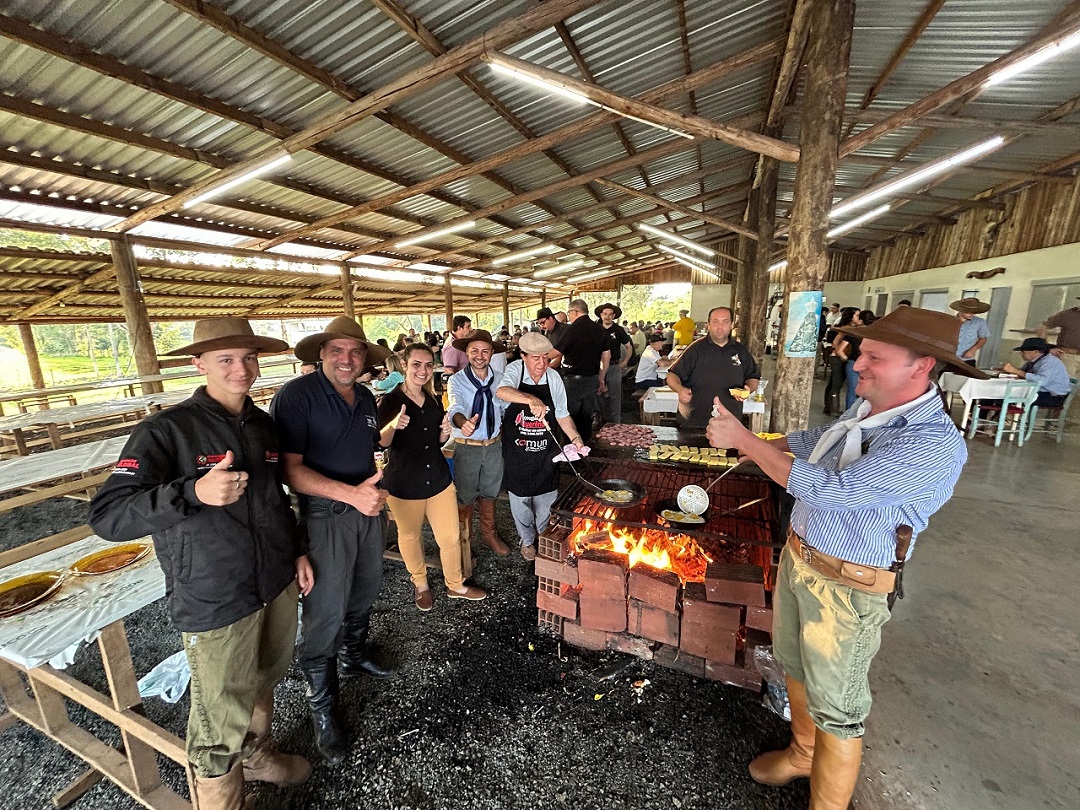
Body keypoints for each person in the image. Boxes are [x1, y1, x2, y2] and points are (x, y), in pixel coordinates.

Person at [704, 306, 986, 810]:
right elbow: (818, 442)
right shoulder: (867, 411)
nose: (857, 364)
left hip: (849, 587)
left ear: (921, 366)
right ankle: (803, 753)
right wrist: (765, 444)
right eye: (860, 353)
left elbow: (832, 489)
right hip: (802, 560)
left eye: (874, 356)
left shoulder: (932, 443)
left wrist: (745, 440)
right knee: (793, 661)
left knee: (839, 705)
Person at [88, 317, 314, 807]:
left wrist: (296, 549)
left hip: (273, 580)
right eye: (226, 360)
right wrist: (192, 491)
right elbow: (107, 515)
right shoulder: (166, 431)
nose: (241, 369)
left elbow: (276, 499)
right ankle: (220, 797)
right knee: (217, 716)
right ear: (198, 364)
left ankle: (259, 759)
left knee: (262, 677)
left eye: (249, 357)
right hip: (214, 592)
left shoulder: (262, 425)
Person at [269, 316, 393, 766]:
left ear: (365, 358)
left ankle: (355, 655)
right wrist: (351, 495)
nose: (346, 359)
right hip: (324, 518)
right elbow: (288, 469)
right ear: (320, 353)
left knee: (364, 590)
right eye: (337, 351)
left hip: (366, 512)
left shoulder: (363, 397)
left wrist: (374, 491)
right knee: (324, 612)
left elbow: (366, 449)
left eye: (355, 352)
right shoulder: (296, 397)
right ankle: (323, 708)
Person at [377, 343, 487, 611]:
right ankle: (421, 584)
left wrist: (445, 432)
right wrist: (394, 425)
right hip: (404, 481)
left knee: (449, 538)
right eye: (416, 364)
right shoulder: (390, 401)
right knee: (410, 535)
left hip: (438, 479)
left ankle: (455, 585)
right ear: (404, 365)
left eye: (428, 365)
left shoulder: (434, 399)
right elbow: (379, 443)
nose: (423, 370)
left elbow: (437, 441)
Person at [496, 332, 587, 560]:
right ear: (523, 356)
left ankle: (544, 534)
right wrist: (531, 399)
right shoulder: (515, 370)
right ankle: (527, 540)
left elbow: (563, 414)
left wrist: (575, 438)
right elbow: (502, 391)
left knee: (547, 499)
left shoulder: (553, 377)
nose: (542, 364)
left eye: (545, 358)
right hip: (517, 451)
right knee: (520, 502)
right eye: (536, 358)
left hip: (546, 450)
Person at [447, 330, 509, 566]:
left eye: (485, 351)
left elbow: (504, 407)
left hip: (493, 445)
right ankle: (466, 540)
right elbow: (455, 406)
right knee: (465, 495)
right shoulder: (457, 380)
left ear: (492, 353)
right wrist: (464, 423)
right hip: (467, 446)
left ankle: (489, 534)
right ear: (467, 352)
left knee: (490, 492)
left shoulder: (502, 379)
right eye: (474, 351)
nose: (480, 356)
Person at [665, 306, 759, 430]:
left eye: (725, 322)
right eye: (715, 322)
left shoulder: (740, 350)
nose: (720, 327)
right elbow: (672, 375)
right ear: (708, 325)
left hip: (730, 423)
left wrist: (748, 389)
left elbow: (753, 377)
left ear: (731, 325)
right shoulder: (696, 349)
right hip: (695, 423)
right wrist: (680, 389)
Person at [549, 298, 610, 444]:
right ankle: (585, 447)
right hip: (592, 379)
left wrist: (539, 357)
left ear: (575, 311)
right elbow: (606, 356)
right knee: (586, 417)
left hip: (573, 381)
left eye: (569, 313)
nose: (569, 317)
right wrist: (601, 378)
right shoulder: (600, 329)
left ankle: (571, 449)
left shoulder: (571, 329)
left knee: (569, 416)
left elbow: (556, 352)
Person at [1002, 337, 1073, 408]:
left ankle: (1008, 417)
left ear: (1036, 352)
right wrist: (1009, 372)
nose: (1021, 354)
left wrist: (1016, 371)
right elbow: (1023, 372)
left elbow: (1042, 381)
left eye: (1023, 351)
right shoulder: (1033, 361)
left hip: (1053, 396)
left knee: (1007, 397)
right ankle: (1006, 417)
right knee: (1004, 395)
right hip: (1041, 392)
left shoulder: (1050, 362)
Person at [596, 302, 632, 424]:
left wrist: (625, 361)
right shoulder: (595, 328)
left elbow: (629, 346)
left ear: (614, 316)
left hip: (613, 366)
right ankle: (598, 419)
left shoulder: (619, 330)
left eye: (610, 314)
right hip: (597, 367)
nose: (607, 317)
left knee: (615, 395)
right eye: (605, 314)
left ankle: (617, 420)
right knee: (597, 394)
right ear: (601, 315)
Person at [835, 310, 878, 411]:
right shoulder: (876, 335)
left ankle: (849, 415)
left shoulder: (854, 333)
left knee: (853, 391)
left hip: (854, 362)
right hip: (870, 364)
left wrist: (847, 359)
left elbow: (839, 350)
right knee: (867, 391)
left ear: (861, 320)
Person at [1036, 296, 1080, 381]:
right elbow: (1042, 327)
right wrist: (1046, 347)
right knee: (1063, 386)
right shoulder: (1068, 314)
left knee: (1077, 393)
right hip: (1068, 357)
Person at [824, 307, 858, 415]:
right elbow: (835, 343)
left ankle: (828, 406)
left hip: (839, 357)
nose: (859, 318)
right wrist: (842, 353)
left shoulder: (849, 328)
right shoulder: (846, 329)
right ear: (850, 317)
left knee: (833, 382)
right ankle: (833, 408)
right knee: (836, 383)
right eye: (857, 315)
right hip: (838, 358)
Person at [950, 297, 991, 366]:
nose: (971, 314)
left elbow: (983, 338)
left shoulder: (980, 322)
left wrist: (973, 349)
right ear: (961, 310)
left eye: (974, 312)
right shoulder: (949, 321)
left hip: (966, 360)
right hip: (948, 358)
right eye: (968, 312)